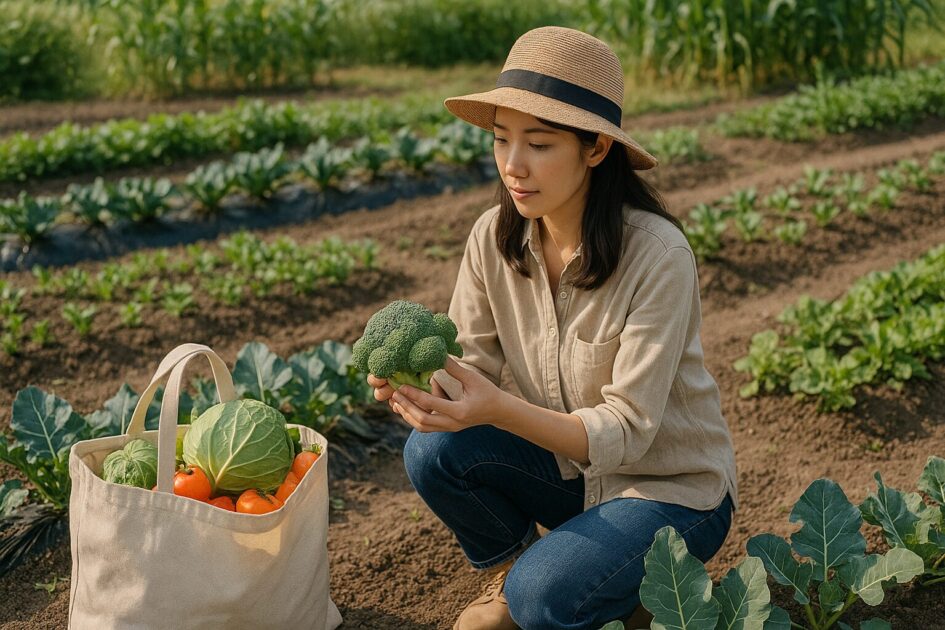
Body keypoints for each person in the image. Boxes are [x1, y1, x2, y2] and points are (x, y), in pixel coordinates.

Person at [366, 25, 738, 630]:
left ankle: (581, 585)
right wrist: (416, 390)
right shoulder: (494, 236)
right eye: (501, 140)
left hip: (668, 490)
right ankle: (524, 578)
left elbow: (628, 432)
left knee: (548, 599)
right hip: (568, 474)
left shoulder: (658, 254)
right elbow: (472, 373)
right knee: (433, 450)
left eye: (539, 144)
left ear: (596, 148)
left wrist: (496, 409)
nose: (514, 166)